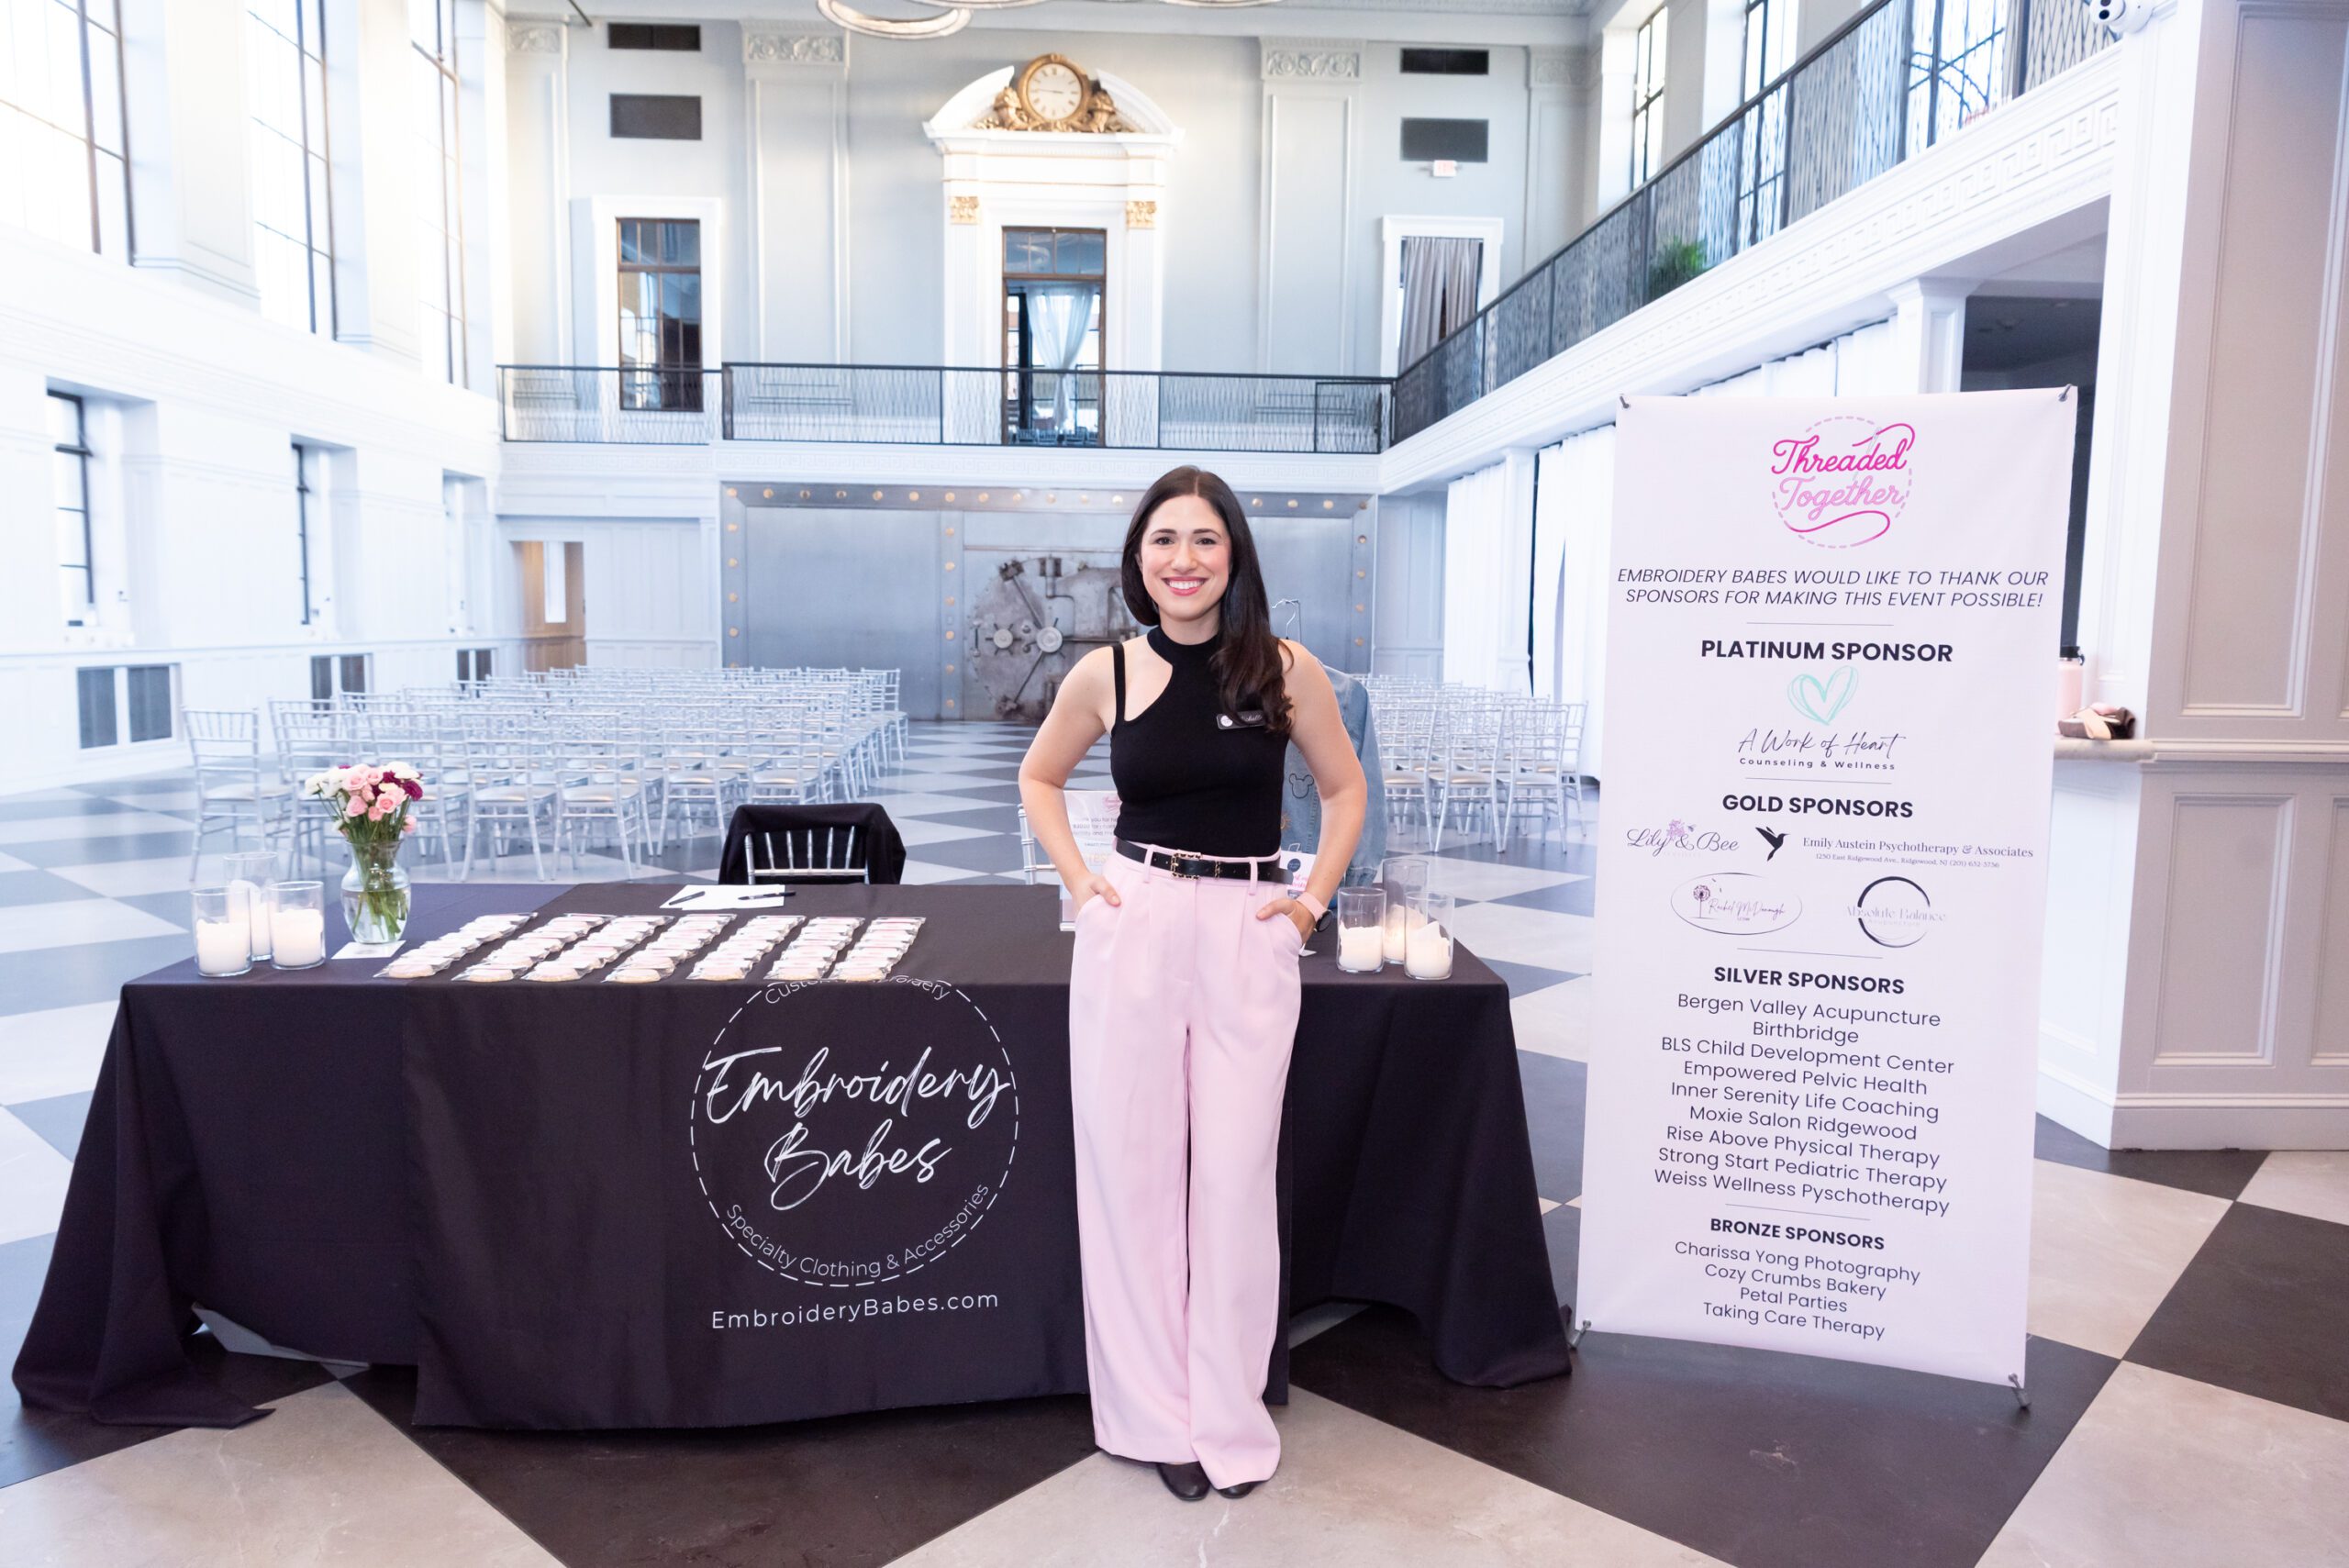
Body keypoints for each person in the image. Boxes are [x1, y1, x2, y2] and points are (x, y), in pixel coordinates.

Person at [1018, 466, 1367, 1502]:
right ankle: (1150, 1415)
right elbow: (1039, 775)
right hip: (1137, 918)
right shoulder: (1108, 674)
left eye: (1205, 539)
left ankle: (1226, 1406)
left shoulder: (1284, 667)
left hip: (1248, 926)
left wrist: (1309, 905)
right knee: (1129, 1176)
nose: (1183, 558)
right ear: (1138, 558)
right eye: (1164, 538)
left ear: (1234, 555)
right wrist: (1083, 882)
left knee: (1230, 1177)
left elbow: (1344, 791)